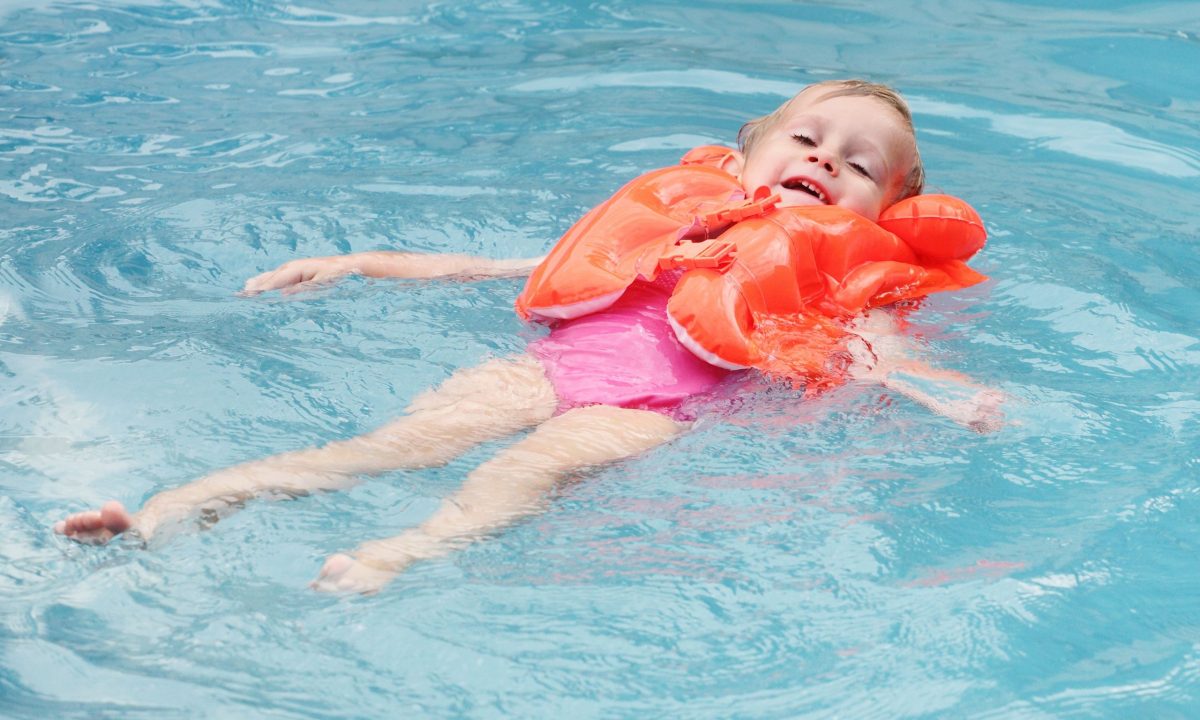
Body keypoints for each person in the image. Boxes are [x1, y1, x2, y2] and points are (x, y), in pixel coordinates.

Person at [55, 79, 1003, 593]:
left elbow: (880, 350)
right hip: (541, 368)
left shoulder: (847, 269)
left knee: (518, 477)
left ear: (889, 207)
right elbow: (507, 268)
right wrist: (362, 261)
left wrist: (952, 397)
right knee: (374, 449)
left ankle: (398, 555)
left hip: (646, 410)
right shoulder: (667, 223)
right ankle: (169, 510)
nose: (824, 160)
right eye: (807, 139)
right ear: (746, 154)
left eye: (857, 163)